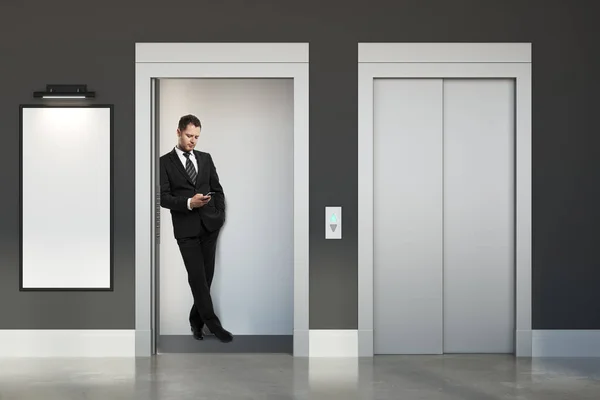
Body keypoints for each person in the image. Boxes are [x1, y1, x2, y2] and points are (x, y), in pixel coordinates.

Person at [159, 114, 233, 343]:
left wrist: (219, 215)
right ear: (178, 132)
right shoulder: (163, 162)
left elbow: (217, 189)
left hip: (209, 227)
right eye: (189, 135)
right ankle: (213, 323)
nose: (193, 141)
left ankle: (195, 320)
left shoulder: (205, 158)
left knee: (206, 278)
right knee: (197, 278)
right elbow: (163, 197)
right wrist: (189, 203)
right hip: (186, 230)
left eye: (197, 137)